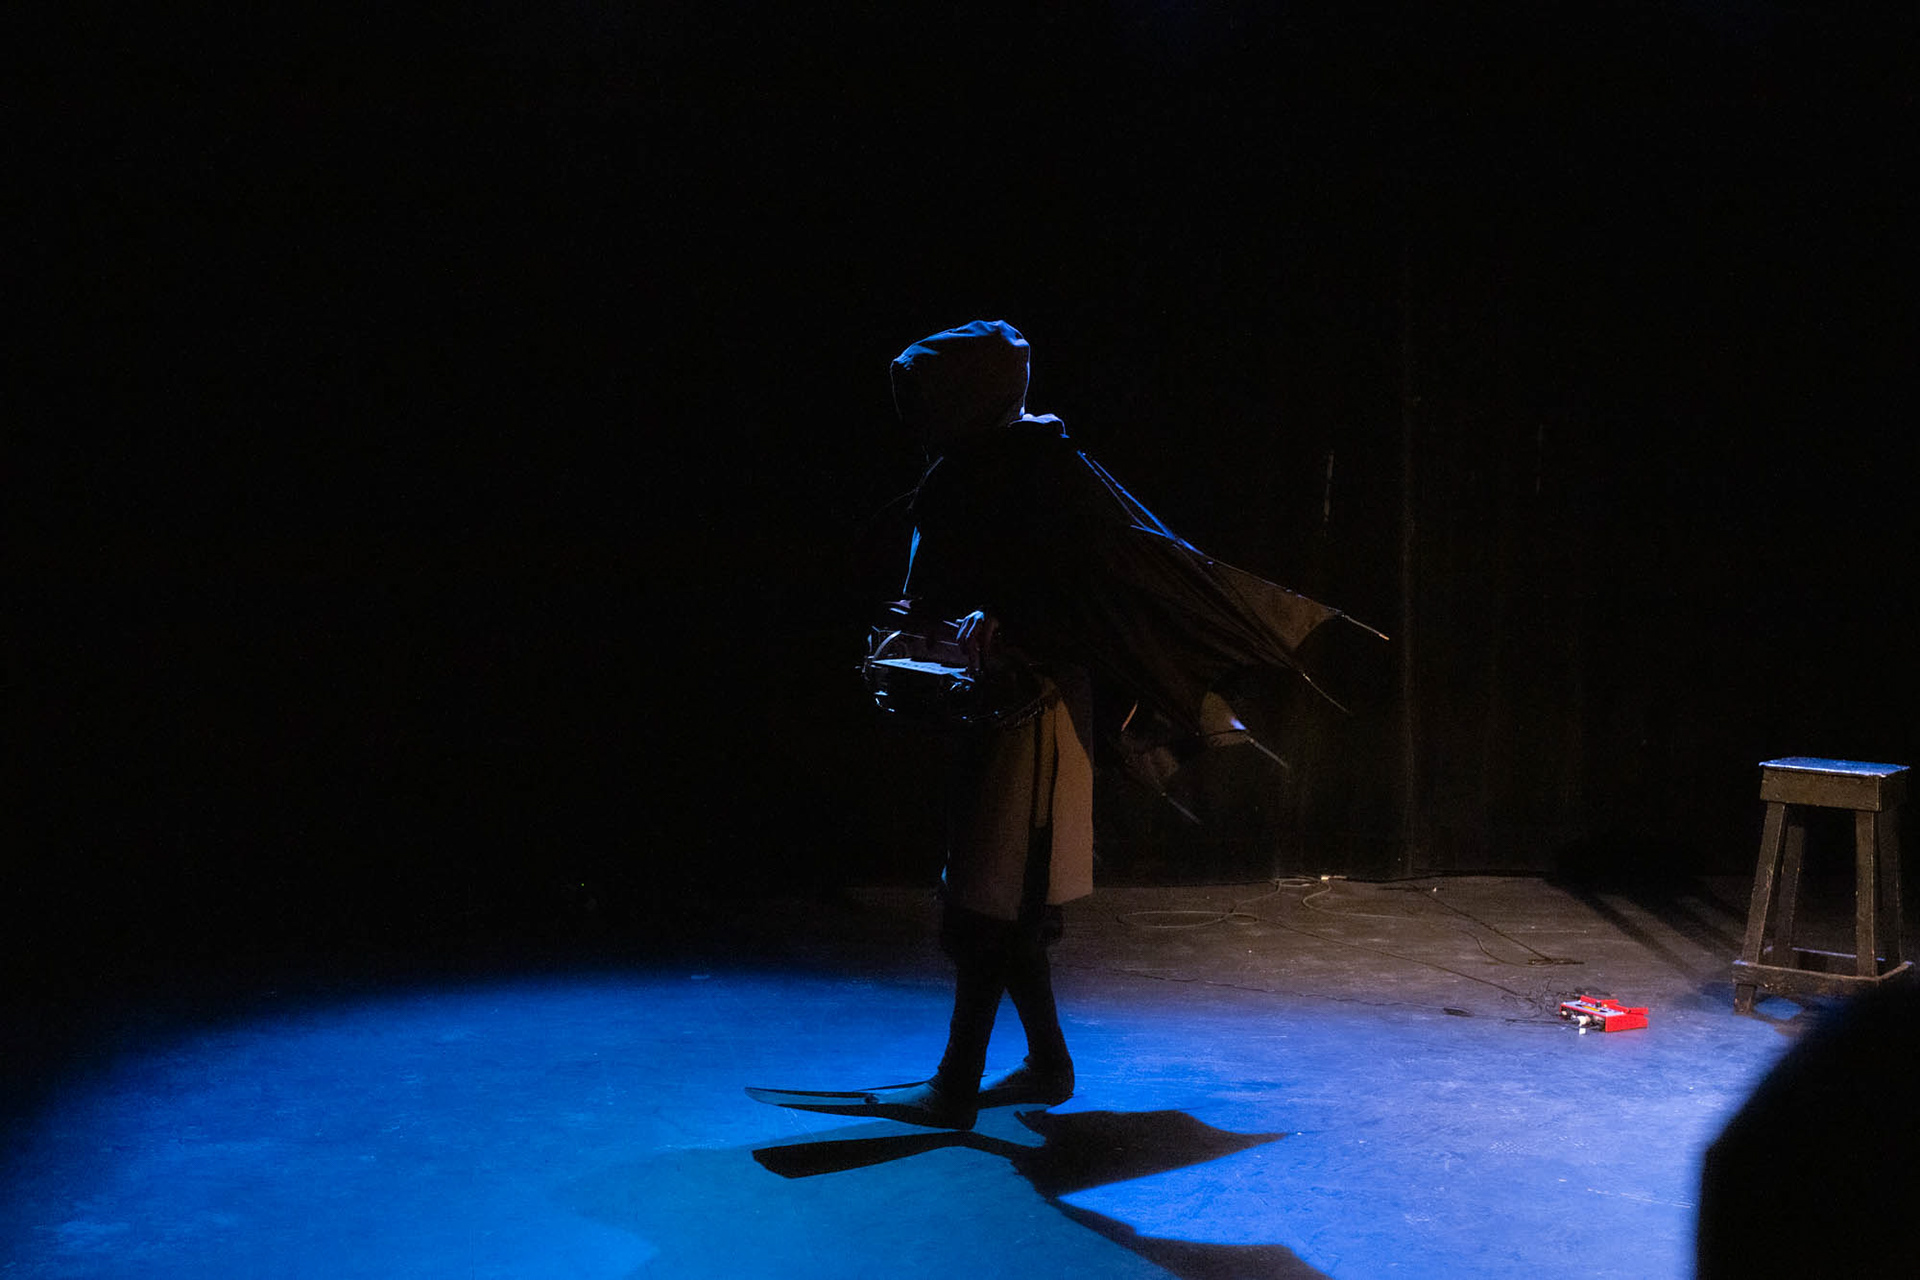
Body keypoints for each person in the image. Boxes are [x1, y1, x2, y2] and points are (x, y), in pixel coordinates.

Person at [845, 319, 1354, 1130]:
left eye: (925, 396)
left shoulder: (1033, 473)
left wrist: (1003, 634)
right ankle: (1046, 1065)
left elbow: (1077, 597)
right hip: (1003, 711)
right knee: (1001, 898)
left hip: (1034, 717)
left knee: (991, 902)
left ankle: (956, 1085)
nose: (914, 415)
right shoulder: (985, 467)